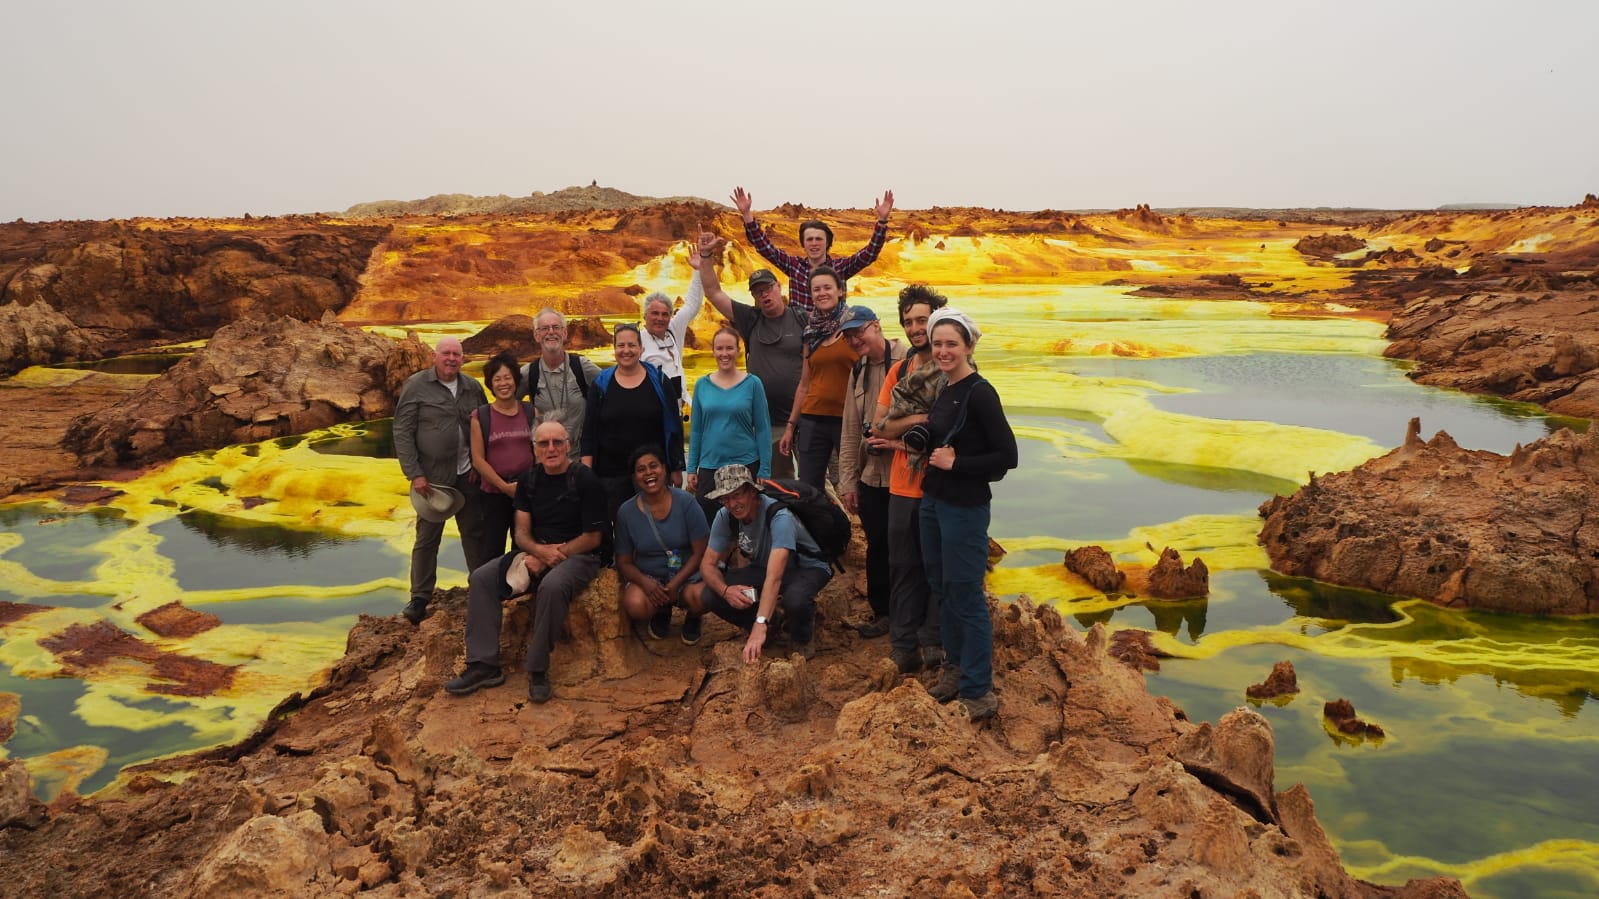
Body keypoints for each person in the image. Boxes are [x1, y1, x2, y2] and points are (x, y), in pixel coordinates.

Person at [445, 421, 607, 703]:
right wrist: (539, 553)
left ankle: (537, 669)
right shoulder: (529, 480)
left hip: (580, 555)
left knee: (553, 587)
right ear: (534, 449)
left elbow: (593, 537)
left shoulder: (585, 479)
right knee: (482, 578)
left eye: (557, 442)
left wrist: (553, 556)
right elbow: (521, 532)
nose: (551, 449)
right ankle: (483, 664)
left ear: (569, 445)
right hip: (538, 551)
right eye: (544, 444)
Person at [916, 308, 1018, 722]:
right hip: (934, 501)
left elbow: (1007, 457)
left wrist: (957, 465)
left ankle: (979, 692)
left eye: (951, 344)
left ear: (969, 346)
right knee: (943, 588)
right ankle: (956, 669)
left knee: (967, 595)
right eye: (937, 343)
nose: (943, 351)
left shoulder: (980, 392)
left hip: (964, 507)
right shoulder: (946, 386)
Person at [867, 286, 949, 673]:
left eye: (923, 320)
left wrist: (896, 436)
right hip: (903, 486)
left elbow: (952, 427)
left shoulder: (953, 366)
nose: (916, 328)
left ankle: (933, 639)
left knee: (938, 566)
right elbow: (878, 424)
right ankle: (903, 645)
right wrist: (919, 421)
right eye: (909, 322)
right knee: (902, 566)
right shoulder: (900, 371)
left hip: (941, 486)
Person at [683, 464, 832, 662]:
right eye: (725, 498)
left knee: (794, 600)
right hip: (764, 567)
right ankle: (772, 624)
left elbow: (775, 576)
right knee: (711, 593)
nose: (732, 504)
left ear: (753, 492)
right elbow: (707, 565)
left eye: (737, 495)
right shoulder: (725, 516)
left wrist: (759, 624)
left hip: (806, 567)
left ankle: (801, 636)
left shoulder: (780, 517)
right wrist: (726, 591)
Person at [395, 336, 491, 625]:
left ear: (463, 359)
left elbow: (486, 425)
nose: (451, 358)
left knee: (474, 533)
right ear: (435, 357)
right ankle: (420, 598)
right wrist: (415, 474)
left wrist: (481, 465)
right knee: (427, 539)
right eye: (446, 353)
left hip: (468, 475)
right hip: (432, 480)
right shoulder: (416, 386)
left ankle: (481, 588)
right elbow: (402, 431)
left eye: (457, 354)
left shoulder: (472, 387)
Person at [691, 231, 801, 479]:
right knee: (778, 485)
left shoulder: (800, 318)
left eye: (768, 288)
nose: (764, 295)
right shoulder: (751, 319)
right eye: (758, 292)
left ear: (778, 287)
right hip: (769, 424)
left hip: (804, 419)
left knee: (815, 483)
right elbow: (713, 291)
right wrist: (706, 255)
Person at [836, 306, 907, 638]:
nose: (854, 339)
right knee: (878, 546)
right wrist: (848, 480)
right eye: (848, 335)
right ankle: (883, 613)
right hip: (871, 478)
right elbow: (850, 429)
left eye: (858, 331)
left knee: (906, 546)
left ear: (876, 327)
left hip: (905, 475)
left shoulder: (907, 359)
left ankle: (909, 613)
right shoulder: (858, 371)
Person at [731, 186, 894, 316]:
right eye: (809, 239)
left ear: (827, 242)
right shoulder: (794, 266)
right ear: (803, 243)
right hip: (800, 334)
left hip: (833, 334)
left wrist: (882, 221)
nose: (814, 243)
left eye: (819, 239)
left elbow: (869, 254)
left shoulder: (840, 268)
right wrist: (747, 215)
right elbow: (765, 247)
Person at [582, 323, 685, 523]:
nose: (626, 350)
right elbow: (589, 432)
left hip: (652, 473)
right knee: (618, 534)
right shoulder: (601, 384)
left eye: (631, 345)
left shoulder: (660, 380)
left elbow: (674, 427)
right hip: (610, 475)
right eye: (621, 346)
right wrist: (587, 474)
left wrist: (676, 468)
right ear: (614, 350)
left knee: (654, 527)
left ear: (641, 348)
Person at [615, 445, 710, 644]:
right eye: (641, 470)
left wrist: (676, 583)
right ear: (634, 476)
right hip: (651, 578)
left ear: (664, 469)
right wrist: (645, 583)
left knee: (705, 596)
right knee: (635, 604)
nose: (649, 473)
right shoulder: (626, 512)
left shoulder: (686, 503)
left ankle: (693, 617)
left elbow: (701, 552)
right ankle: (662, 609)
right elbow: (623, 562)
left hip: (687, 574)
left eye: (653, 466)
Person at [686, 326, 771, 522]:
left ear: (738, 350)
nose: (724, 354)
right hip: (710, 465)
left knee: (746, 520)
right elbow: (697, 430)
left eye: (729, 348)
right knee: (708, 519)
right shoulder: (701, 385)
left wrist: (765, 469)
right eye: (720, 349)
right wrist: (692, 468)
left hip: (745, 463)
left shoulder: (753, 383)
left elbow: (763, 428)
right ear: (713, 351)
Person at [782, 266, 854, 489]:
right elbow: (805, 383)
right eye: (816, 289)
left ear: (840, 291)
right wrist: (790, 426)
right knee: (808, 488)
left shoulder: (854, 326)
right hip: (813, 418)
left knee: (853, 484)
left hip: (848, 420)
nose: (822, 293)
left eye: (827, 288)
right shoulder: (810, 332)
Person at [470, 351, 536, 558]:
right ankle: (492, 589)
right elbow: (478, 460)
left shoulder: (531, 412)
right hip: (493, 494)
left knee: (523, 547)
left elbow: (541, 453)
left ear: (516, 380)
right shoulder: (480, 416)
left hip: (526, 493)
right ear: (490, 384)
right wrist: (504, 487)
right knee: (492, 549)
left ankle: (520, 590)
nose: (503, 383)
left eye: (507, 377)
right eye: (497, 379)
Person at [521, 307, 602, 462]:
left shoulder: (582, 367)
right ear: (536, 335)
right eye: (544, 328)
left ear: (564, 333)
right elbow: (506, 405)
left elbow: (612, 387)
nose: (551, 332)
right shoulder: (528, 374)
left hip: (581, 461)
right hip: (546, 463)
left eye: (556, 327)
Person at [638, 277, 704, 411]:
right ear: (645, 316)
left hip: (678, 411)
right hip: (652, 414)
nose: (660, 319)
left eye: (665, 314)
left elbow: (692, 304)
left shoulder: (673, 331)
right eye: (655, 313)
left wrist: (699, 269)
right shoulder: (636, 341)